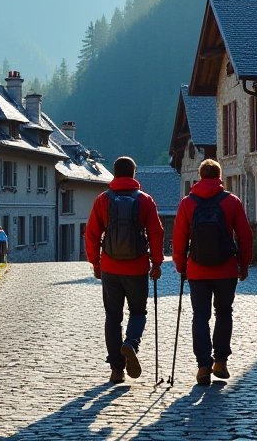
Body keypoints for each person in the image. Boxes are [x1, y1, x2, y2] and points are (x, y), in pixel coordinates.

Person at [171, 159, 253, 386]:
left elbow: (179, 237)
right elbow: (245, 235)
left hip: (197, 270)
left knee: (200, 316)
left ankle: (203, 366)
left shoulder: (187, 203)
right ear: (219, 176)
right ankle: (221, 362)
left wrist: (181, 265)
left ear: (199, 176)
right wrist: (244, 264)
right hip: (226, 268)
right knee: (224, 313)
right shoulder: (231, 201)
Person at [85, 156, 165, 384]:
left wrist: (96, 263)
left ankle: (116, 370)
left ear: (114, 173)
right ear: (133, 174)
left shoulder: (103, 200)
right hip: (137, 267)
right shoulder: (145, 200)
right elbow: (156, 233)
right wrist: (157, 263)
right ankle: (130, 343)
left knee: (113, 317)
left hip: (110, 267)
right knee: (138, 312)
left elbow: (91, 234)